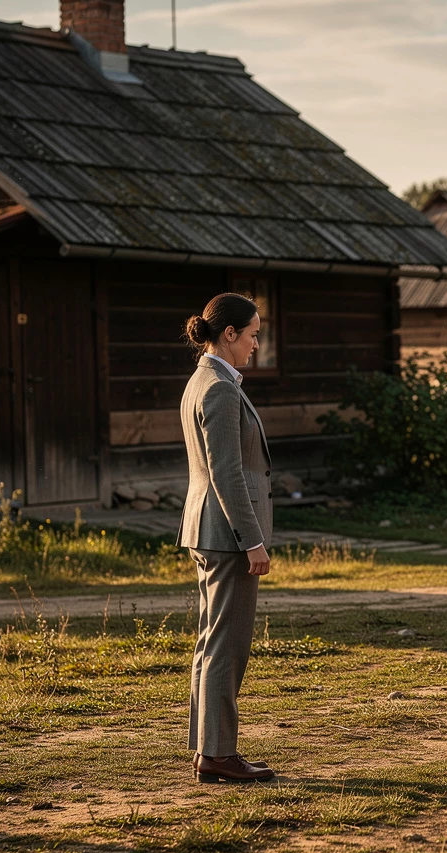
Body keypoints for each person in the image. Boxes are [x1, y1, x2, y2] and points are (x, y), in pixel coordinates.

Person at [178, 293, 275, 783]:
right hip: (226, 533)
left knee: (211, 640)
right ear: (229, 335)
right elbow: (227, 473)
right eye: (253, 334)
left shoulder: (204, 381)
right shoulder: (216, 387)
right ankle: (217, 754)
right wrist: (251, 540)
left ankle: (206, 748)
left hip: (210, 529)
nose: (257, 344)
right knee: (227, 644)